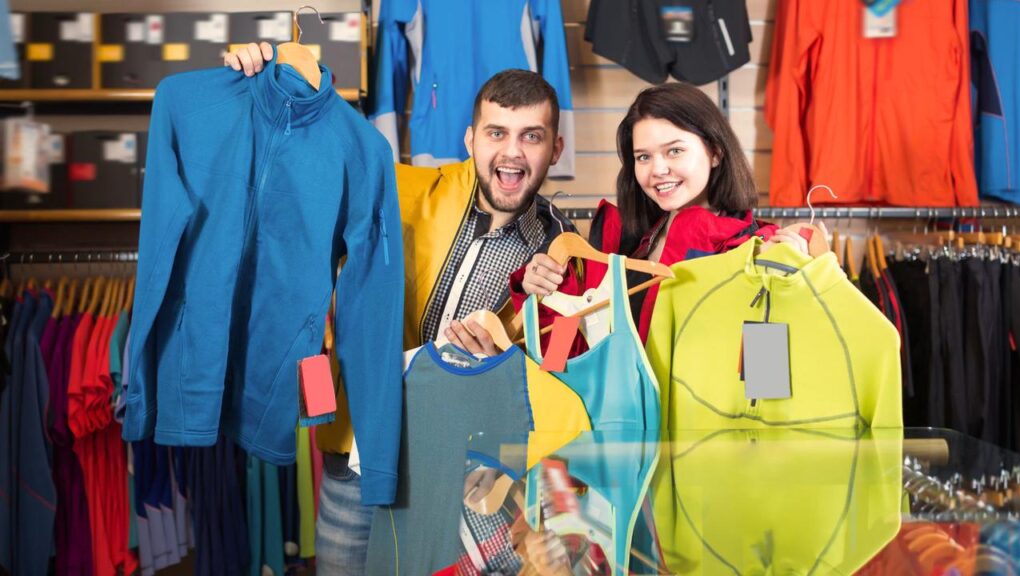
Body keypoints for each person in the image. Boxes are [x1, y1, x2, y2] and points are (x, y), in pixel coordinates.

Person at [225, 43, 574, 574]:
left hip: (462, 474)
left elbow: (561, 379)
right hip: (360, 457)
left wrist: (505, 357)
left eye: (532, 136)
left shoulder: (565, 249)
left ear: (556, 147)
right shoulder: (401, 190)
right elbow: (304, 166)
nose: (512, 153)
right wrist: (254, 83)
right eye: (497, 133)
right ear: (469, 139)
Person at [512, 82, 819, 353]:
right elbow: (562, 359)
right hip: (615, 419)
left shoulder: (759, 250)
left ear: (715, 152)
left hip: (699, 419)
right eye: (643, 156)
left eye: (674, 151)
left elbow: (766, 383)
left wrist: (796, 295)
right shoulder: (616, 245)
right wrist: (542, 296)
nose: (657, 169)